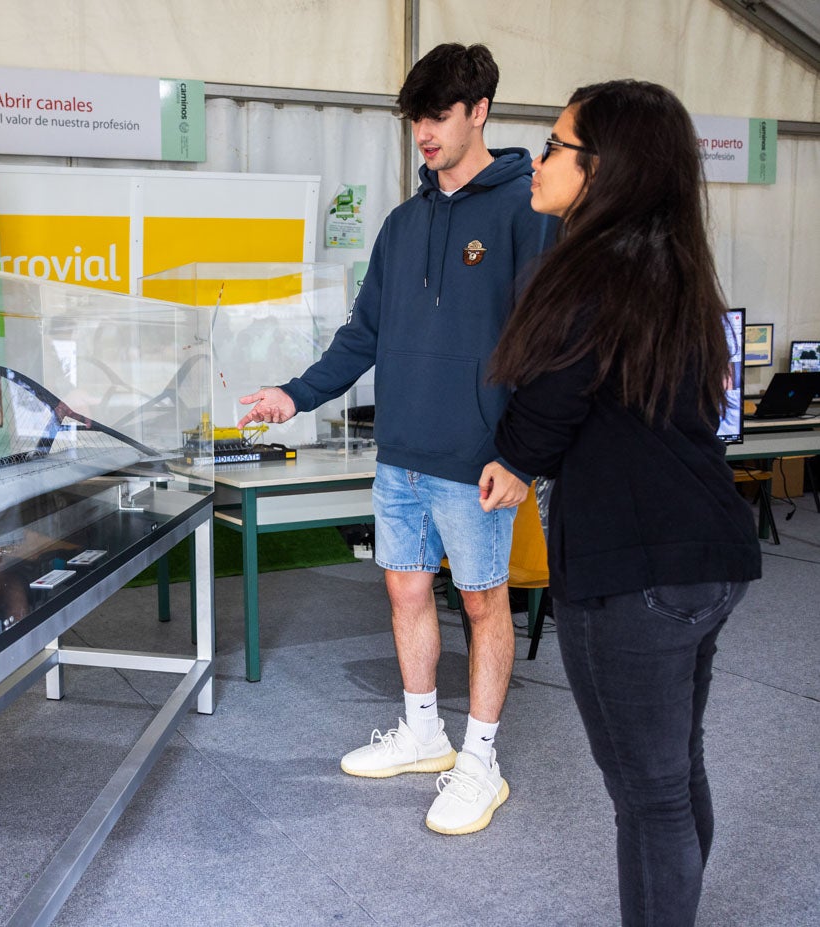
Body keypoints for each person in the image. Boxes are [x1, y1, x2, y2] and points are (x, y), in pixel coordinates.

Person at [238, 43, 555, 835]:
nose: (423, 131)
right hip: (401, 458)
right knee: (405, 590)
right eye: (415, 116)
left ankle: (479, 762)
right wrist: (293, 394)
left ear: (478, 110)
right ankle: (424, 734)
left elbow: (548, 346)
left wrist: (519, 456)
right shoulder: (400, 223)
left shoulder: (524, 212)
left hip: (480, 462)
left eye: (438, 115)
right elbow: (361, 336)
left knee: (485, 605)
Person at [484, 80, 762, 926]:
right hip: (709, 555)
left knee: (649, 798)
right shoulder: (674, 269)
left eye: (555, 146)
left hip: (632, 569)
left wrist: (509, 460)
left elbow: (545, 411)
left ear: (601, 169)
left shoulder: (582, 273)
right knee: (675, 773)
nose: (536, 160)